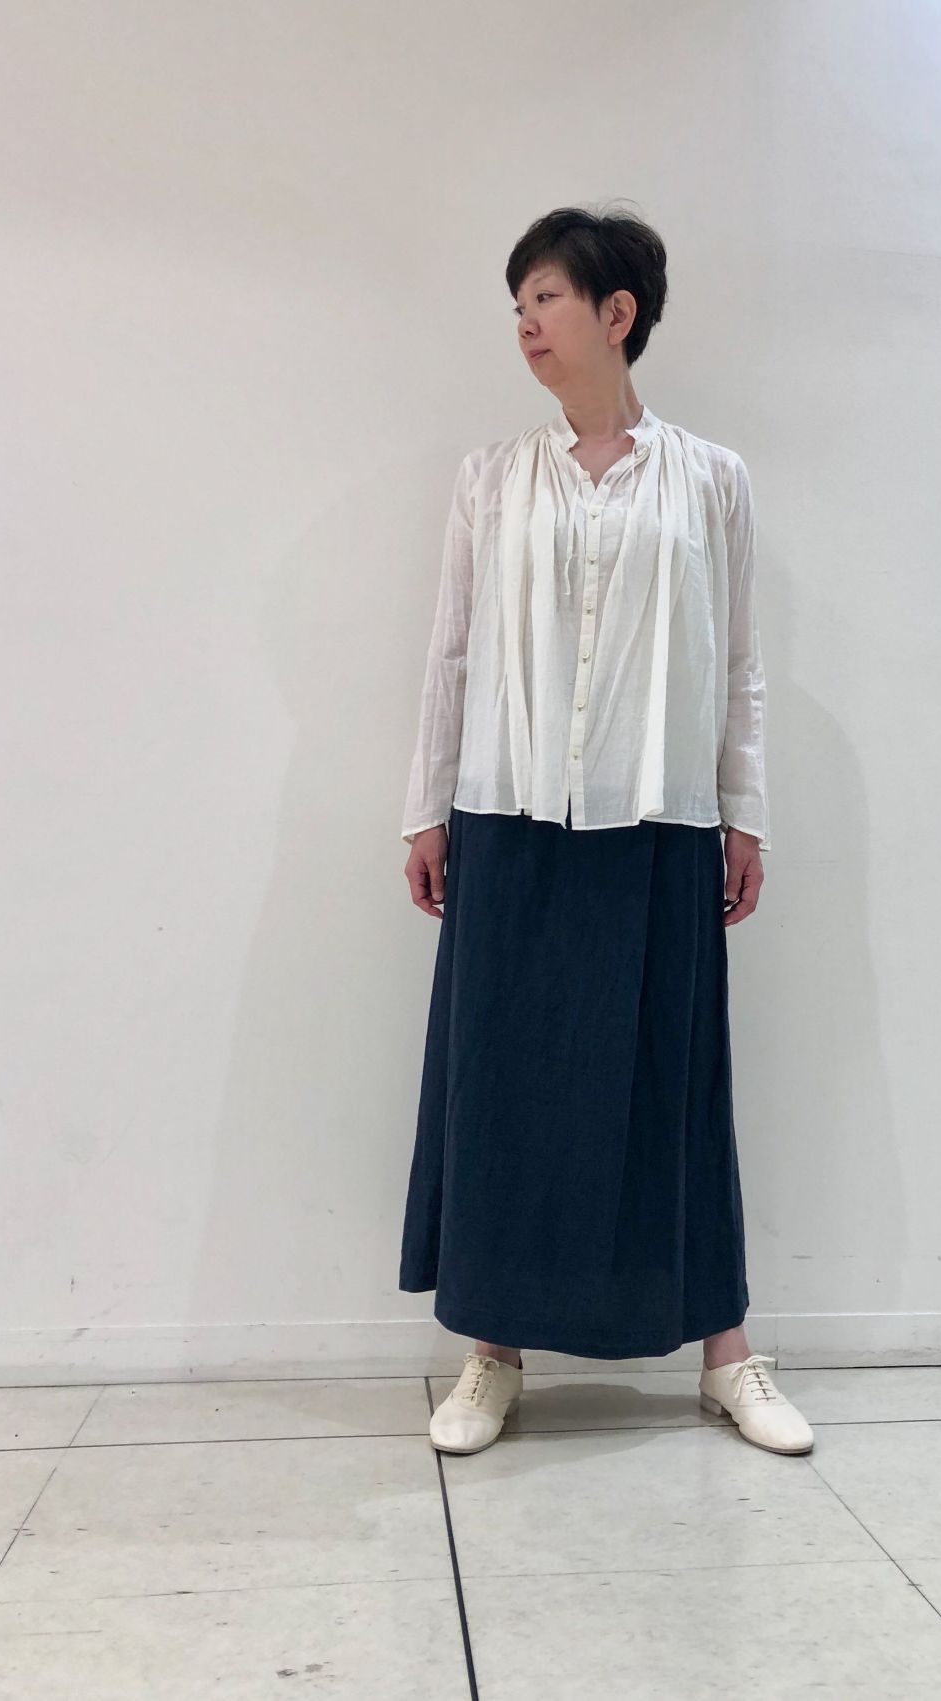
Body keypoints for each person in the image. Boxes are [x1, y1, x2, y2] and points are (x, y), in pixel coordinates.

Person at [397, 204, 812, 1459]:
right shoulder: (491, 478)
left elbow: (736, 661)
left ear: (615, 313)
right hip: (508, 811)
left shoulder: (710, 478)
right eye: (517, 303)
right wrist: (425, 808)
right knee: (501, 1082)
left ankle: (726, 1355)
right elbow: (451, 651)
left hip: (658, 818)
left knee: (672, 1085)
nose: (525, 323)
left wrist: (742, 814)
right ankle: (490, 1352)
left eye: (546, 298)